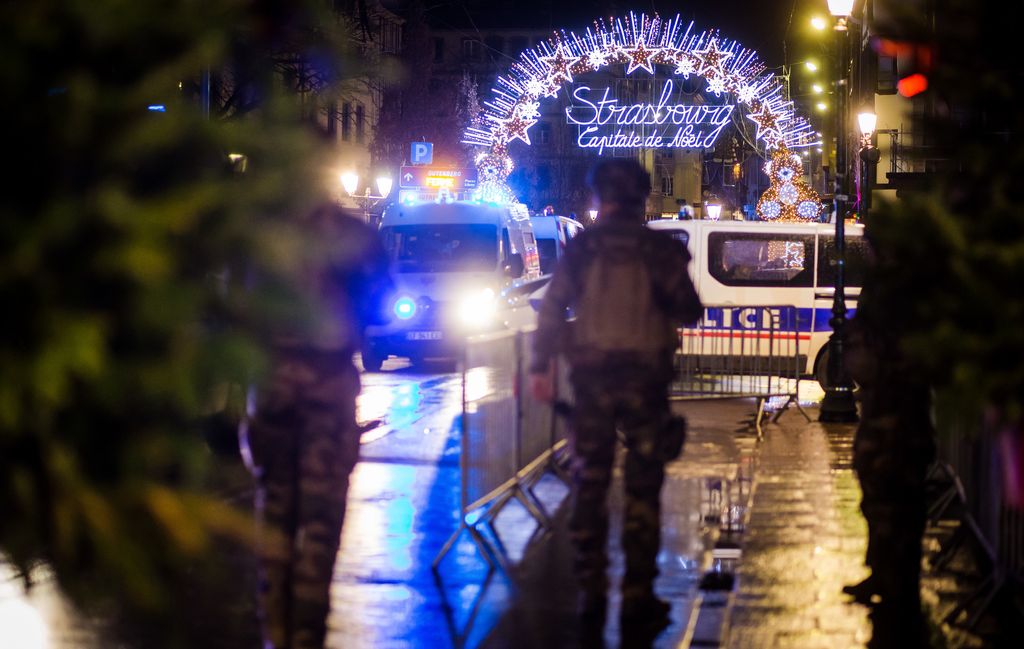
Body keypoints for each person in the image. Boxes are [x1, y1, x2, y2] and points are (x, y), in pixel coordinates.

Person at [529, 159, 702, 633]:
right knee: (643, 490)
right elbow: (689, 309)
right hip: (646, 382)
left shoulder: (583, 248)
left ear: (600, 197)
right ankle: (637, 596)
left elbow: (551, 308)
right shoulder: (659, 250)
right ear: (642, 198)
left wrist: (540, 365)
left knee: (590, 484)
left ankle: (591, 591)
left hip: (592, 383)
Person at [248, 203, 392, 649]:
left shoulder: (261, 232)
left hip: (273, 393)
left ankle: (276, 633)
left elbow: (234, 307)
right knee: (319, 529)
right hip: (328, 398)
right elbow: (383, 305)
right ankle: (306, 635)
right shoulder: (352, 235)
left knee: (275, 525)